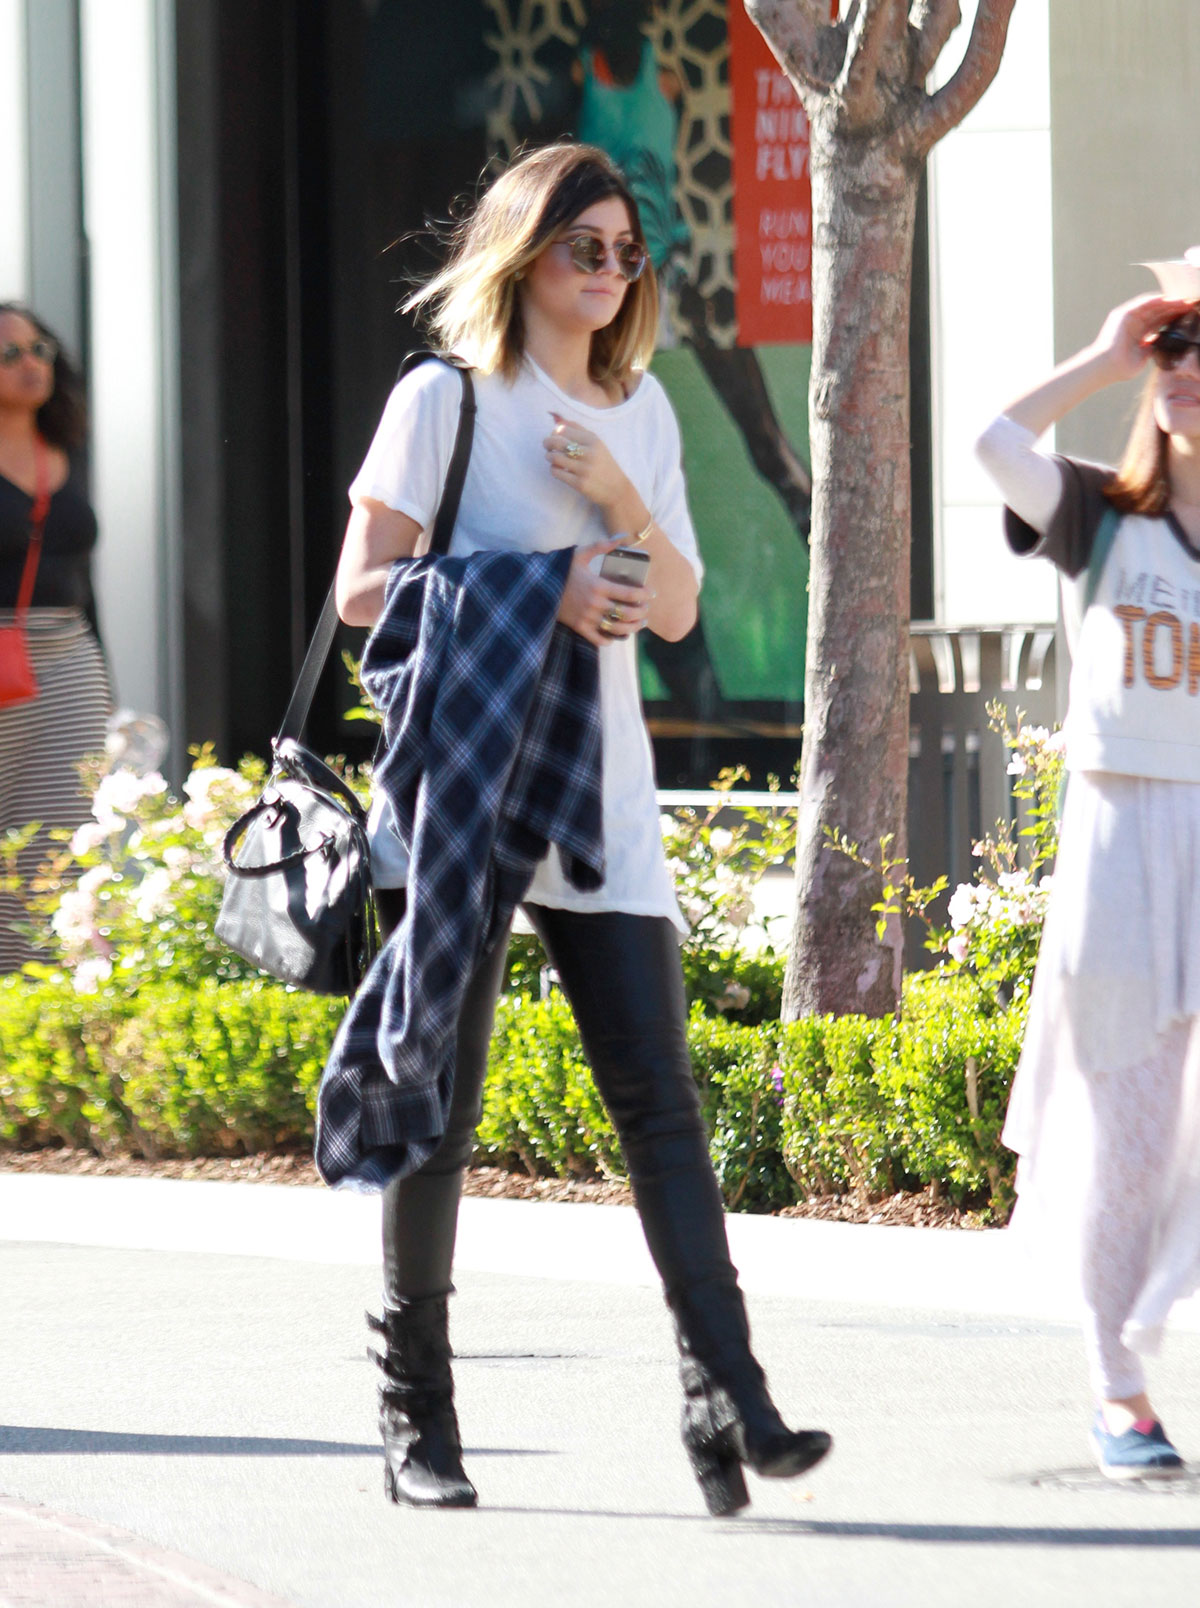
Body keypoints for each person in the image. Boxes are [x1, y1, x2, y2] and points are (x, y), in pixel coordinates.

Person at [332, 142, 831, 1515]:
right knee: (439, 1111)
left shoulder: (645, 409)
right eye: (583, 248)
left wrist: (616, 497)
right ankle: (416, 1413)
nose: (610, 272)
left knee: (660, 1106)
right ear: (523, 253)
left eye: (625, 251)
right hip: (465, 796)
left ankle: (728, 1394)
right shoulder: (445, 398)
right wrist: (541, 584)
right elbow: (363, 591)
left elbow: (674, 608)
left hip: (601, 795)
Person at [976, 255, 1200, 1480]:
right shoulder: (1101, 514)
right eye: (1177, 343)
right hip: (1121, 845)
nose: (1187, 367)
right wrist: (1106, 355)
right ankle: (1118, 1388)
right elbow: (992, 441)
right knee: (1129, 1140)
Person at [0, 305, 109, 972]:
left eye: (39, 348)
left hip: (69, 660)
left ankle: (39, 999)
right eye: (9, 353)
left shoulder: (68, 450)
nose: (30, 364)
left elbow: (83, 583)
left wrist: (108, 683)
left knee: (61, 839)